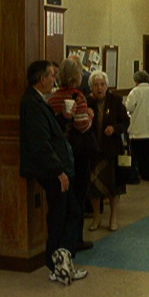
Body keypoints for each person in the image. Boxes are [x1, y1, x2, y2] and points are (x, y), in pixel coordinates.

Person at [19, 60, 87, 285]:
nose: (53, 80)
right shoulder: (32, 103)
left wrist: (63, 118)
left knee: (69, 211)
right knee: (62, 215)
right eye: (51, 76)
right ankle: (57, 262)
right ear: (42, 79)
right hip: (50, 170)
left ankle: (61, 259)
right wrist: (59, 171)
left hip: (54, 167)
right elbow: (40, 143)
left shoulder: (39, 100)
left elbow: (48, 130)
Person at [47, 58, 94, 251]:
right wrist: (90, 116)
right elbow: (82, 125)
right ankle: (75, 238)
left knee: (63, 196)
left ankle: (61, 237)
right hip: (78, 152)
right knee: (79, 195)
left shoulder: (52, 98)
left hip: (59, 152)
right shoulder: (79, 97)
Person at [87, 71, 129, 232]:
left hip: (111, 150)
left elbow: (125, 122)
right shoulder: (88, 102)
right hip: (93, 150)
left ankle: (113, 217)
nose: (99, 88)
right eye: (96, 85)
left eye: (102, 84)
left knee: (112, 186)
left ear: (107, 86)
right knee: (94, 187)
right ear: (91, 87)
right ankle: (96, 217)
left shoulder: (115, 100)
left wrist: (115, 128)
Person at [125, 70, 149, 182]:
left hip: (137, 130)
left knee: (137, 154)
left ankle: (137, 173)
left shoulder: (135, 92)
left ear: (136, 80)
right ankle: (147, 173)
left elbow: (129, 107)